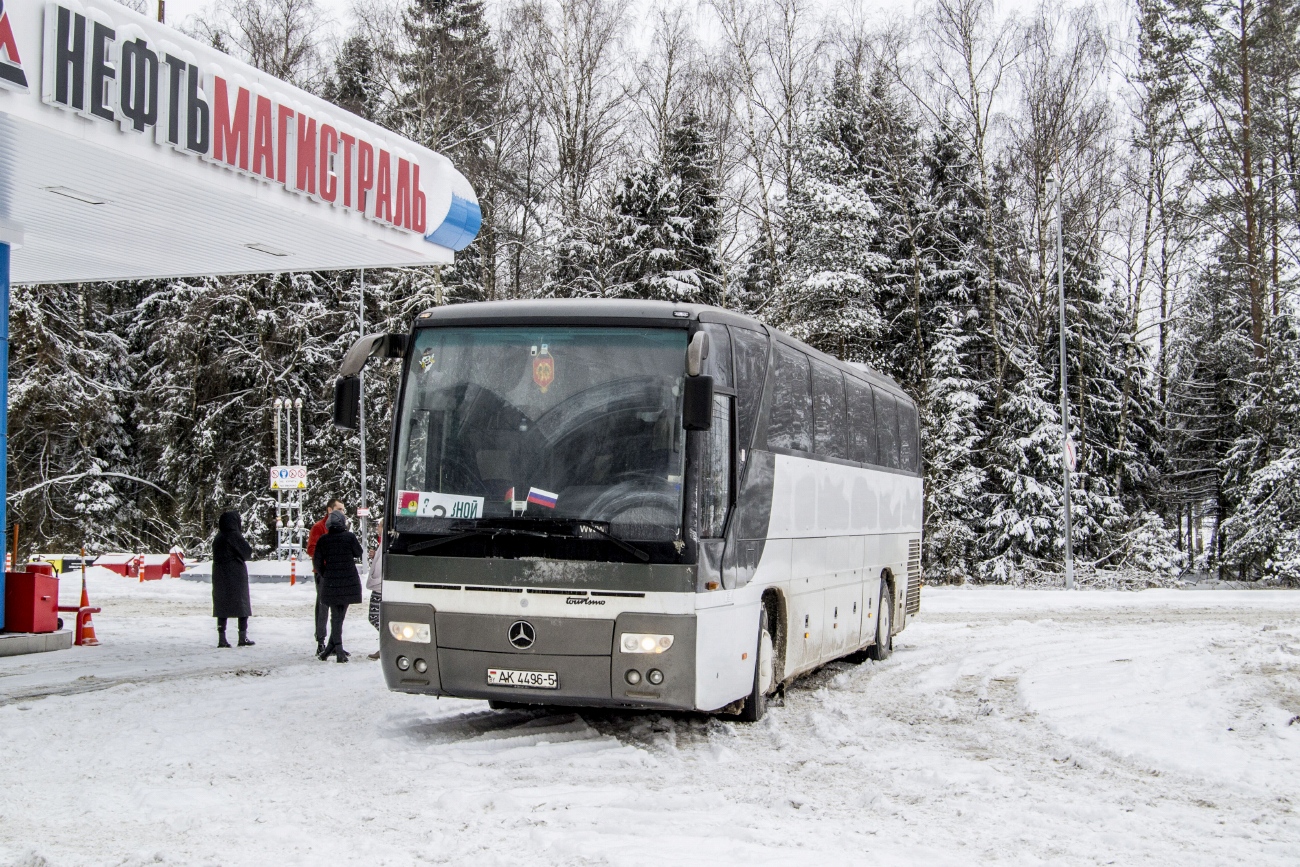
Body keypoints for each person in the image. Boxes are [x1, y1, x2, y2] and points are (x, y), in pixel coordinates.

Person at [312, 509, 363, 662]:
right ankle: (338, 650)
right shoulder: (349, 537)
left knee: (336, 616)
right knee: (340, 616)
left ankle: (330, 649)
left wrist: (325, 574)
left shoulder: (323, 540)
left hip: (331, 582)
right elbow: (358, 552)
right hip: (349, 581)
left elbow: (317, 562)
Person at [307, 499, 345, 655]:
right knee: (323, 607)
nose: (343, 512)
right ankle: (321, 641)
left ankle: (334, 642)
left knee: (338, 608)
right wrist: (325, 561)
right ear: (330, 510)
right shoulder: (318, 527)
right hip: (323, 572)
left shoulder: (342, 529)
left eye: (343, 510)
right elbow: (311, 549)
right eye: (340, 509)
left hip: (336, 572)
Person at [212, 510, 254, 648]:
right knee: (242, 606)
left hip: (219, 576)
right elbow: (247, 553)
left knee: (221, 607)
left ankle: (221, 638)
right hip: (236, 575)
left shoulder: (218, 538)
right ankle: (242, 637)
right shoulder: (235, 536)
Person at [366, 519, 383, 660]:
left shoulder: (386, 544)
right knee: (377, 617)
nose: (377, 528)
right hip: (379, 585)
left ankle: (387, 644)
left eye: (379, 525)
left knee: (374, 616)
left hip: (380, 587)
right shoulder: (382, 543)